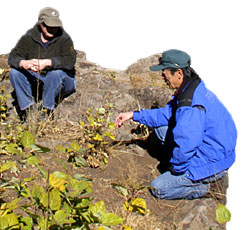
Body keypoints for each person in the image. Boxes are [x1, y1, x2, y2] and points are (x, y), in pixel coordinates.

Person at [115, 49, 237, 200]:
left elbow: (188, 143)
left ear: (178, 73)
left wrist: (175, 168)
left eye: (164, 72)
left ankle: (202, 187)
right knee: (161, 129)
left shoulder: (189, 106)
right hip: (216, 148)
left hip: (212, 161)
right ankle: (185, 169)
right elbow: (165, 115)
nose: (162, 77)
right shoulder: (191, 87)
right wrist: (134, 115)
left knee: (159, 188)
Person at [8, 7, 76, 121]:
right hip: (38, 79)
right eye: (48, 26)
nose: (52, 29)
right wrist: (24, 63)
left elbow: (70, 61)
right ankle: (29, 109)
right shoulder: (29, 37)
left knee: (55, 74)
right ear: (41, 24)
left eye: (54, 26)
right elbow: (13, 57)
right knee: (15, 73)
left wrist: (47, 63)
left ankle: (46, 110)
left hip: (62, 80)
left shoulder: (64, 39)